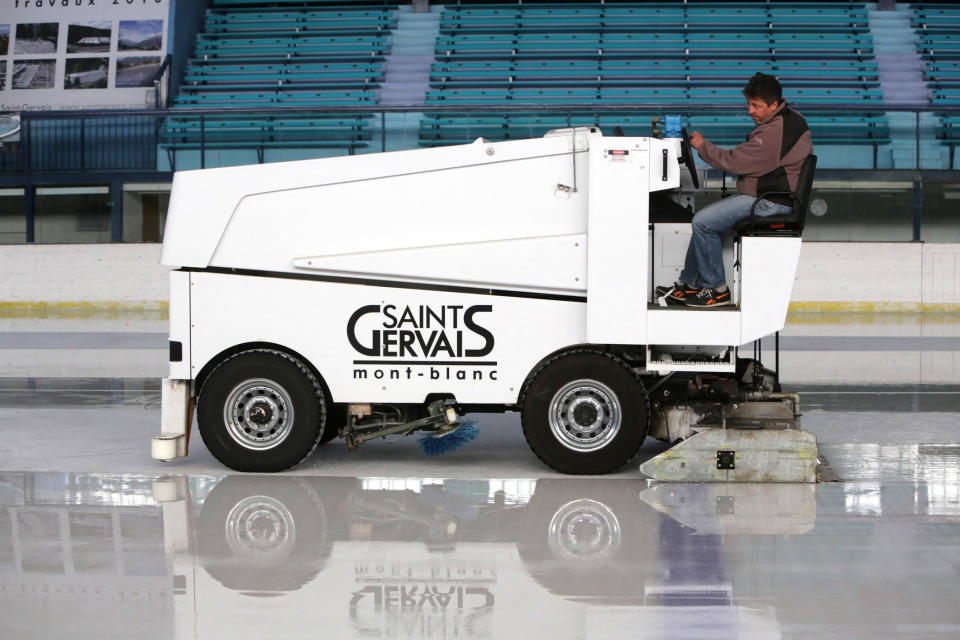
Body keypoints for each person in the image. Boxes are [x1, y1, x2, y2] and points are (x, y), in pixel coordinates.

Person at [659, 72, 814, 308]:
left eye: (756, 105)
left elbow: (733, 161)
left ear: (773, 104)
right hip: (770, 195)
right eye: (749, 104)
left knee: (703, 222)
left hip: (770, 201)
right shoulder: (789, 119)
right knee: (703, 220)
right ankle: (691, 283)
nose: (750, 110)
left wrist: (702, 146)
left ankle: (716, 289)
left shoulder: (773, 132)